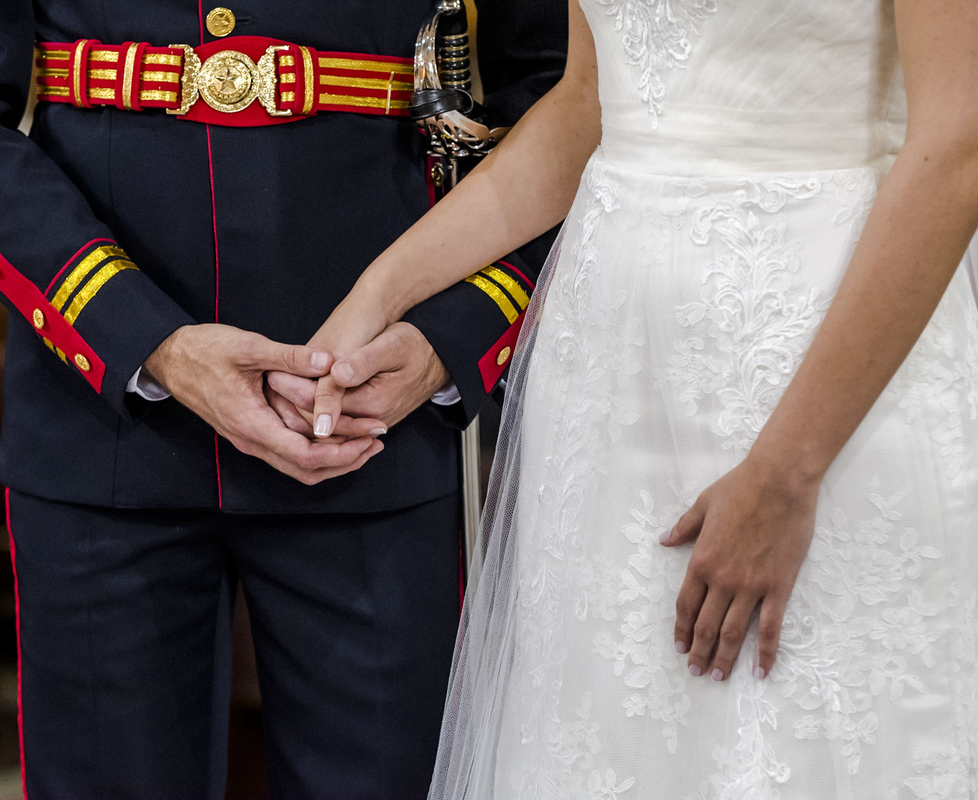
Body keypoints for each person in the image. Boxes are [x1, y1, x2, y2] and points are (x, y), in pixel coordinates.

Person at [0, 0, 565, 797]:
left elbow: (566, 97)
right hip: (103, 422)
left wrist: (449, 335)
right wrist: (144, 337)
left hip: (372, 411)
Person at [307, 0, 978, 796]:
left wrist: (788, 471)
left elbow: (958, 144)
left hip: (820, 366)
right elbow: (589, 106)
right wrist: (377, 294)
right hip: (610, 383)